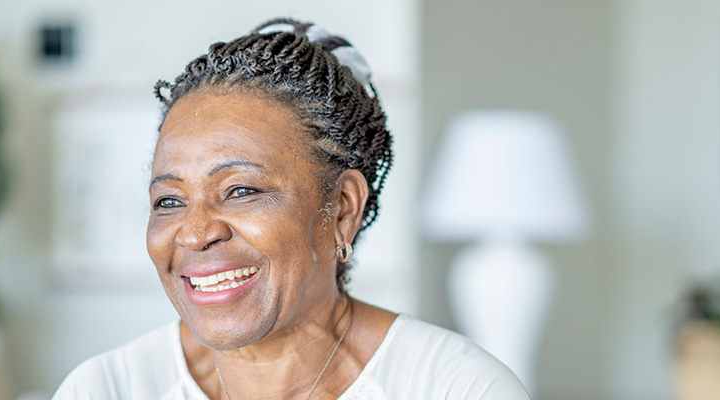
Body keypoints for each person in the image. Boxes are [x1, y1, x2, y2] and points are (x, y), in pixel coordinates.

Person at [52, 18, 529, 400]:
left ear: (342, 209)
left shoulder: (457, 388)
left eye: (241, 190)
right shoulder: (105, 388)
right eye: (169, 201)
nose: (195, 233)